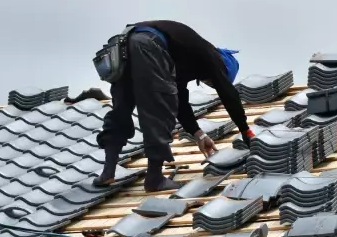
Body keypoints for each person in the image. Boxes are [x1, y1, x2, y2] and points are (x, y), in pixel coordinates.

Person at [94, 20, 254, 192]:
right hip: (147, 46)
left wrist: (198, 134)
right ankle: (154, 178)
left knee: (121, 109)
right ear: (224, 70)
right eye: (213, 83)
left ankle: (107, 172)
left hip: (123, 47)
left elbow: (181, 101)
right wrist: (246, 131)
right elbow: (229, 95)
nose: (211, 84)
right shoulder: (213, 57)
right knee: (160, 108)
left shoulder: (184, 58)